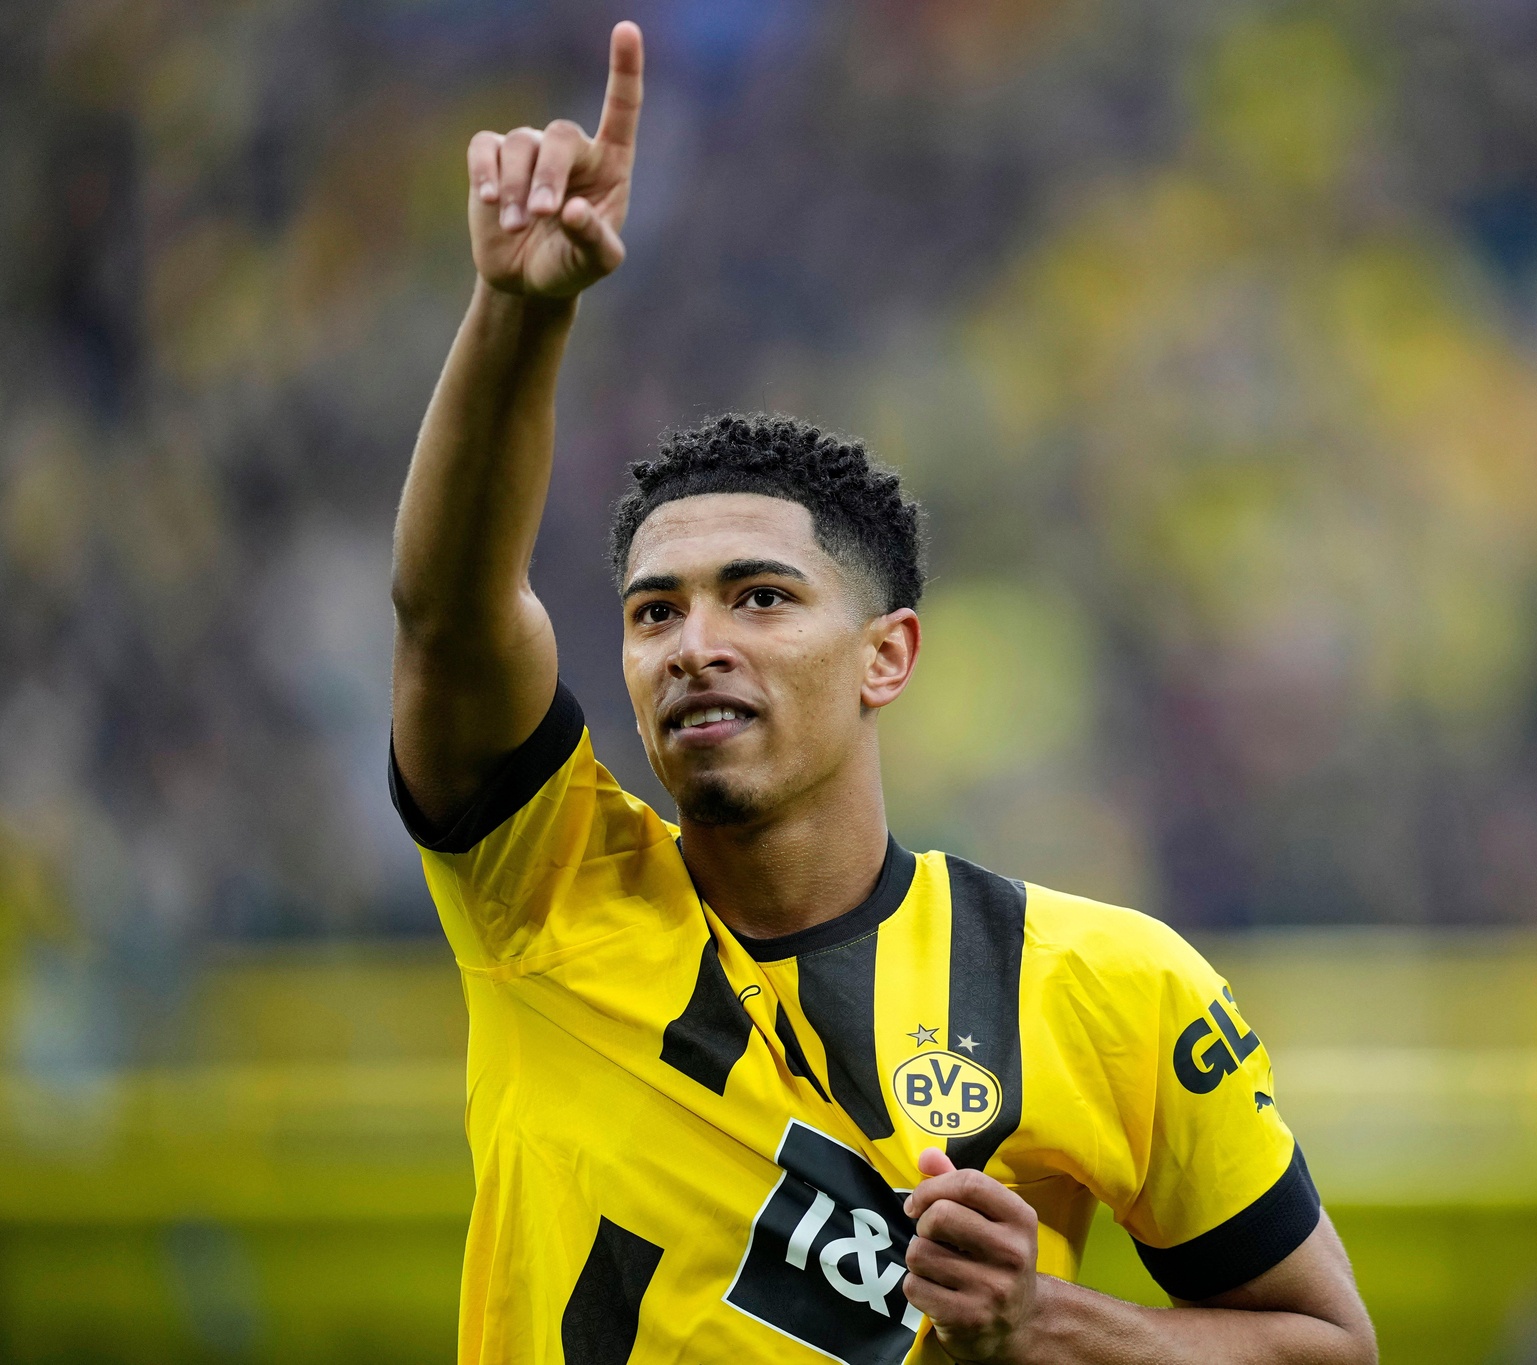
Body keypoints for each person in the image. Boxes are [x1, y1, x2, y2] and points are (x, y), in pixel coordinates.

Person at [388, 21, 1377, 1365]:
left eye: (760, 596)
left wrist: (1046, 1320)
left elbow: (1328, 1348)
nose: (695, 642)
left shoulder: (1106, 989)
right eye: (652, 611)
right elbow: (448, 615)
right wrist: (520, 312)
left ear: (888, 655)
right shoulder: (549, 892)